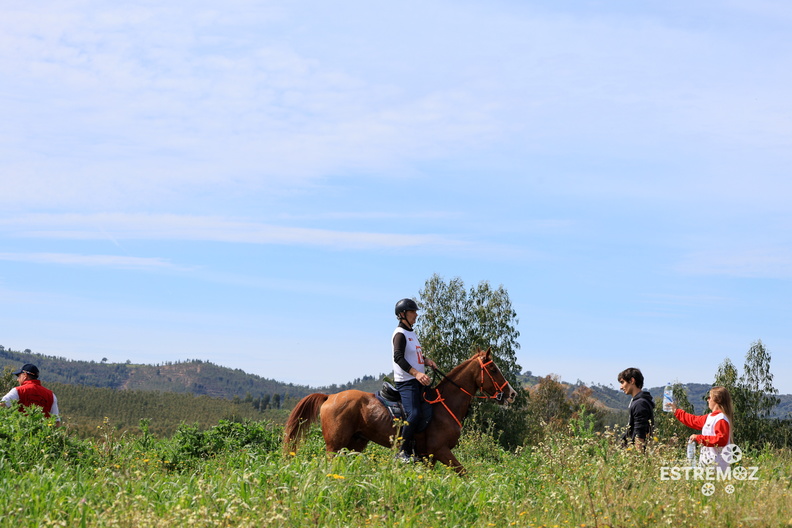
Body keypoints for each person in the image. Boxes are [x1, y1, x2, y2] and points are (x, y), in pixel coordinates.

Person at [392, 298, 436, 462]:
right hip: (406, 382)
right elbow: (398, 357)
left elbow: (413, 355)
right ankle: (402, 453)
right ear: (402, 314)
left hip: (417, 381)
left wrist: (425, 361)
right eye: (413, 312)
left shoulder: (411, 333)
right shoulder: (400, 334)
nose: (416, 315)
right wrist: (416, 373)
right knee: (415, 413)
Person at [671, 386, 733, 470]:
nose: (707, 400)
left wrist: (699, 438)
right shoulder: (710, 417)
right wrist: (676, 411)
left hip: (717, 466)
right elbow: (693, 420)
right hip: (708, 464)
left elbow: (721, 440)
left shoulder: (721, 419)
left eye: (709, 397)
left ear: (717, 400)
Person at [617, 367, 654, 450]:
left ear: (632, 381)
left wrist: (638, 458)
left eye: (622, 382)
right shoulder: (639, 401)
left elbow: (640, 433)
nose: (621, 387)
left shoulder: (640, 404)